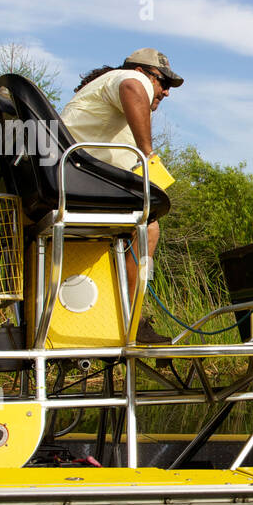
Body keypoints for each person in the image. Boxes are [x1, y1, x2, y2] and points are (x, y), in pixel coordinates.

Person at [60, 48, 183, 345]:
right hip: (75, 183)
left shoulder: (107, 99)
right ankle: (132, 322)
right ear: (142, 72)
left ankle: (117, 316)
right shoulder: (129, 79)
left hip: (73, 181)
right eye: (161, 82)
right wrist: (147, 151)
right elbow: (132, 87)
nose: (166, 92)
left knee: (138, 219)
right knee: (147, 226)